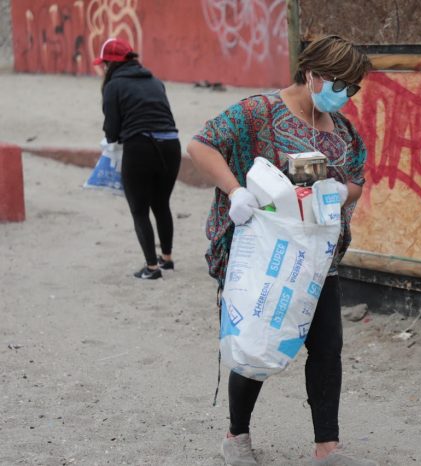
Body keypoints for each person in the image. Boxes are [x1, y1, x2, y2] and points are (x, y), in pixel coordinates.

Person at [187, 35, 375, 465]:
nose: (345, 96)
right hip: (264, 263)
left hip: (317, 263)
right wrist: (235, 192)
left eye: (352, 89)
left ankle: (328, 447)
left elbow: (357, 181)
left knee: (327, 347)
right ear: (312, 75)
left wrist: (335, 191)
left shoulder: (342, 130)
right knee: (256, 344)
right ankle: (237, 436)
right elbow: (200, 145)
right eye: (340, 85)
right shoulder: (258, 113)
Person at [95, 38, 181, 280]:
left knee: (139, 209)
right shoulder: (155, 81)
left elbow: (111, 131)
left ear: (110, 64)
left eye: (104, 64)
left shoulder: (113, 87)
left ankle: (151, 268)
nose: (102, 68)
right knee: (161, 204)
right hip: (171, 146)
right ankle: (167, 259)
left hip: (140, 148)